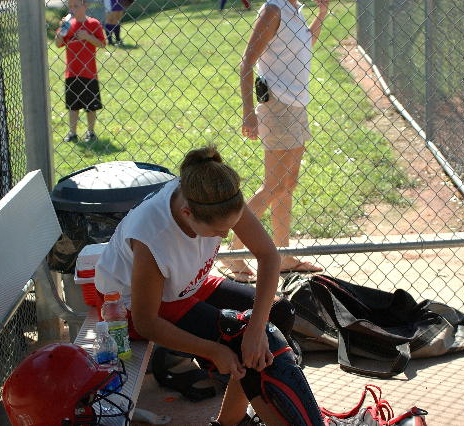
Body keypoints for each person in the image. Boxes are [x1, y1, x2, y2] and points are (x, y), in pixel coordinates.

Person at [95, 145, 326, 425]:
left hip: (184, 287)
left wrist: (256, 330)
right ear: (187, 213)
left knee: (276, 314)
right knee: (239, 340)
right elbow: (146, 323)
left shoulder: (215, 195)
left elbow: (268, 256)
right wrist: (214, 351)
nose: (226, 234)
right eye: (218, 231)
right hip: (130, 306)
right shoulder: (153, 237)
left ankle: (231, 421)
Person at [222, 0, 329, 283]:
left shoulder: (295, 10)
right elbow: (247, 63)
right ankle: (233, 251)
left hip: (297, 106)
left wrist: (321, 14)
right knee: (273, 186)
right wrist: (248, 112)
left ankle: (283, 256)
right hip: (277, 106)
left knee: (287, 185)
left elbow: (305, 45)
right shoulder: (273, 10)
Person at [55, 0, 106, 143]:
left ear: (85, 6)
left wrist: (87, 37)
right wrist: (62, 29)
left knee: (90, 106)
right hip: (72, 72)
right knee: (73, 106)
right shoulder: (68, 25)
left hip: (89, 73)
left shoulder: (93, 23)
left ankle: (91, 132)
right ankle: (72, 133)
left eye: (76, 6)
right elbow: (58, 43)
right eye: (70, 6)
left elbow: (102, 44)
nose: (72, 9)